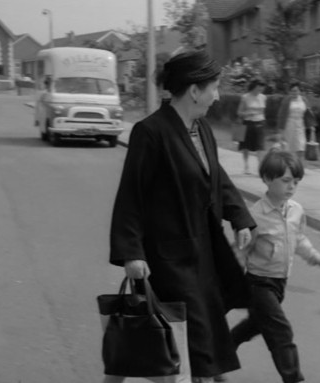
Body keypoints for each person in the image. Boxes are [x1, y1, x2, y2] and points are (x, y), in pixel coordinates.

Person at [107, 50, 256, 383]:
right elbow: (132, 193)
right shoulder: (151, 132)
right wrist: (131, 252)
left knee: (200, 334)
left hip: (203, 254)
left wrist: (240, 216)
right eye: (214, 87)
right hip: (168, 260)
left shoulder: (200, 129)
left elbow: (215, 177)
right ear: (194, 90)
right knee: (191, 337)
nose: (217, 96)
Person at [230, 149, 320, 383]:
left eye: (295, 182)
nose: (291, 187)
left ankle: (215, 357)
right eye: (286, 180)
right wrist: (231, 282)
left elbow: (298, 238)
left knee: (253, 326)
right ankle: (293, 378)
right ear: (267, 179)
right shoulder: (254, 216)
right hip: (258, 284)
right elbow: (240, 251)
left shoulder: (296, 210)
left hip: (279, 283)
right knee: (281, 332)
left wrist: (315, 257)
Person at [276, 82, 317, 163]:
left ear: (299, 91)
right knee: (289, 147)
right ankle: (288, 166)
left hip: (300, 125)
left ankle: (298, 166)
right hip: (289, 125)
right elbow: (281, 115)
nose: (294, 93)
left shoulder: (304, 100)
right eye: (292, 91)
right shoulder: (287, 100)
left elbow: (308, 114)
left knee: (301, 146)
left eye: (296, 91)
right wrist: (280, 130)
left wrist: (312, 126)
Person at [237, 78, 267, 174]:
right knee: (246, 146)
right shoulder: (245, 97)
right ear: (254, 87)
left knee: (260, 146)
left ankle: (260, 167)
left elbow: (263, 111)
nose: (260, 90)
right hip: (248, 123)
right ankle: (246, 166)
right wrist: (247, 114)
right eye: (259, 88)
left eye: (262, 88)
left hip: (260, 123)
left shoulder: (263, 97)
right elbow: (239, 112)